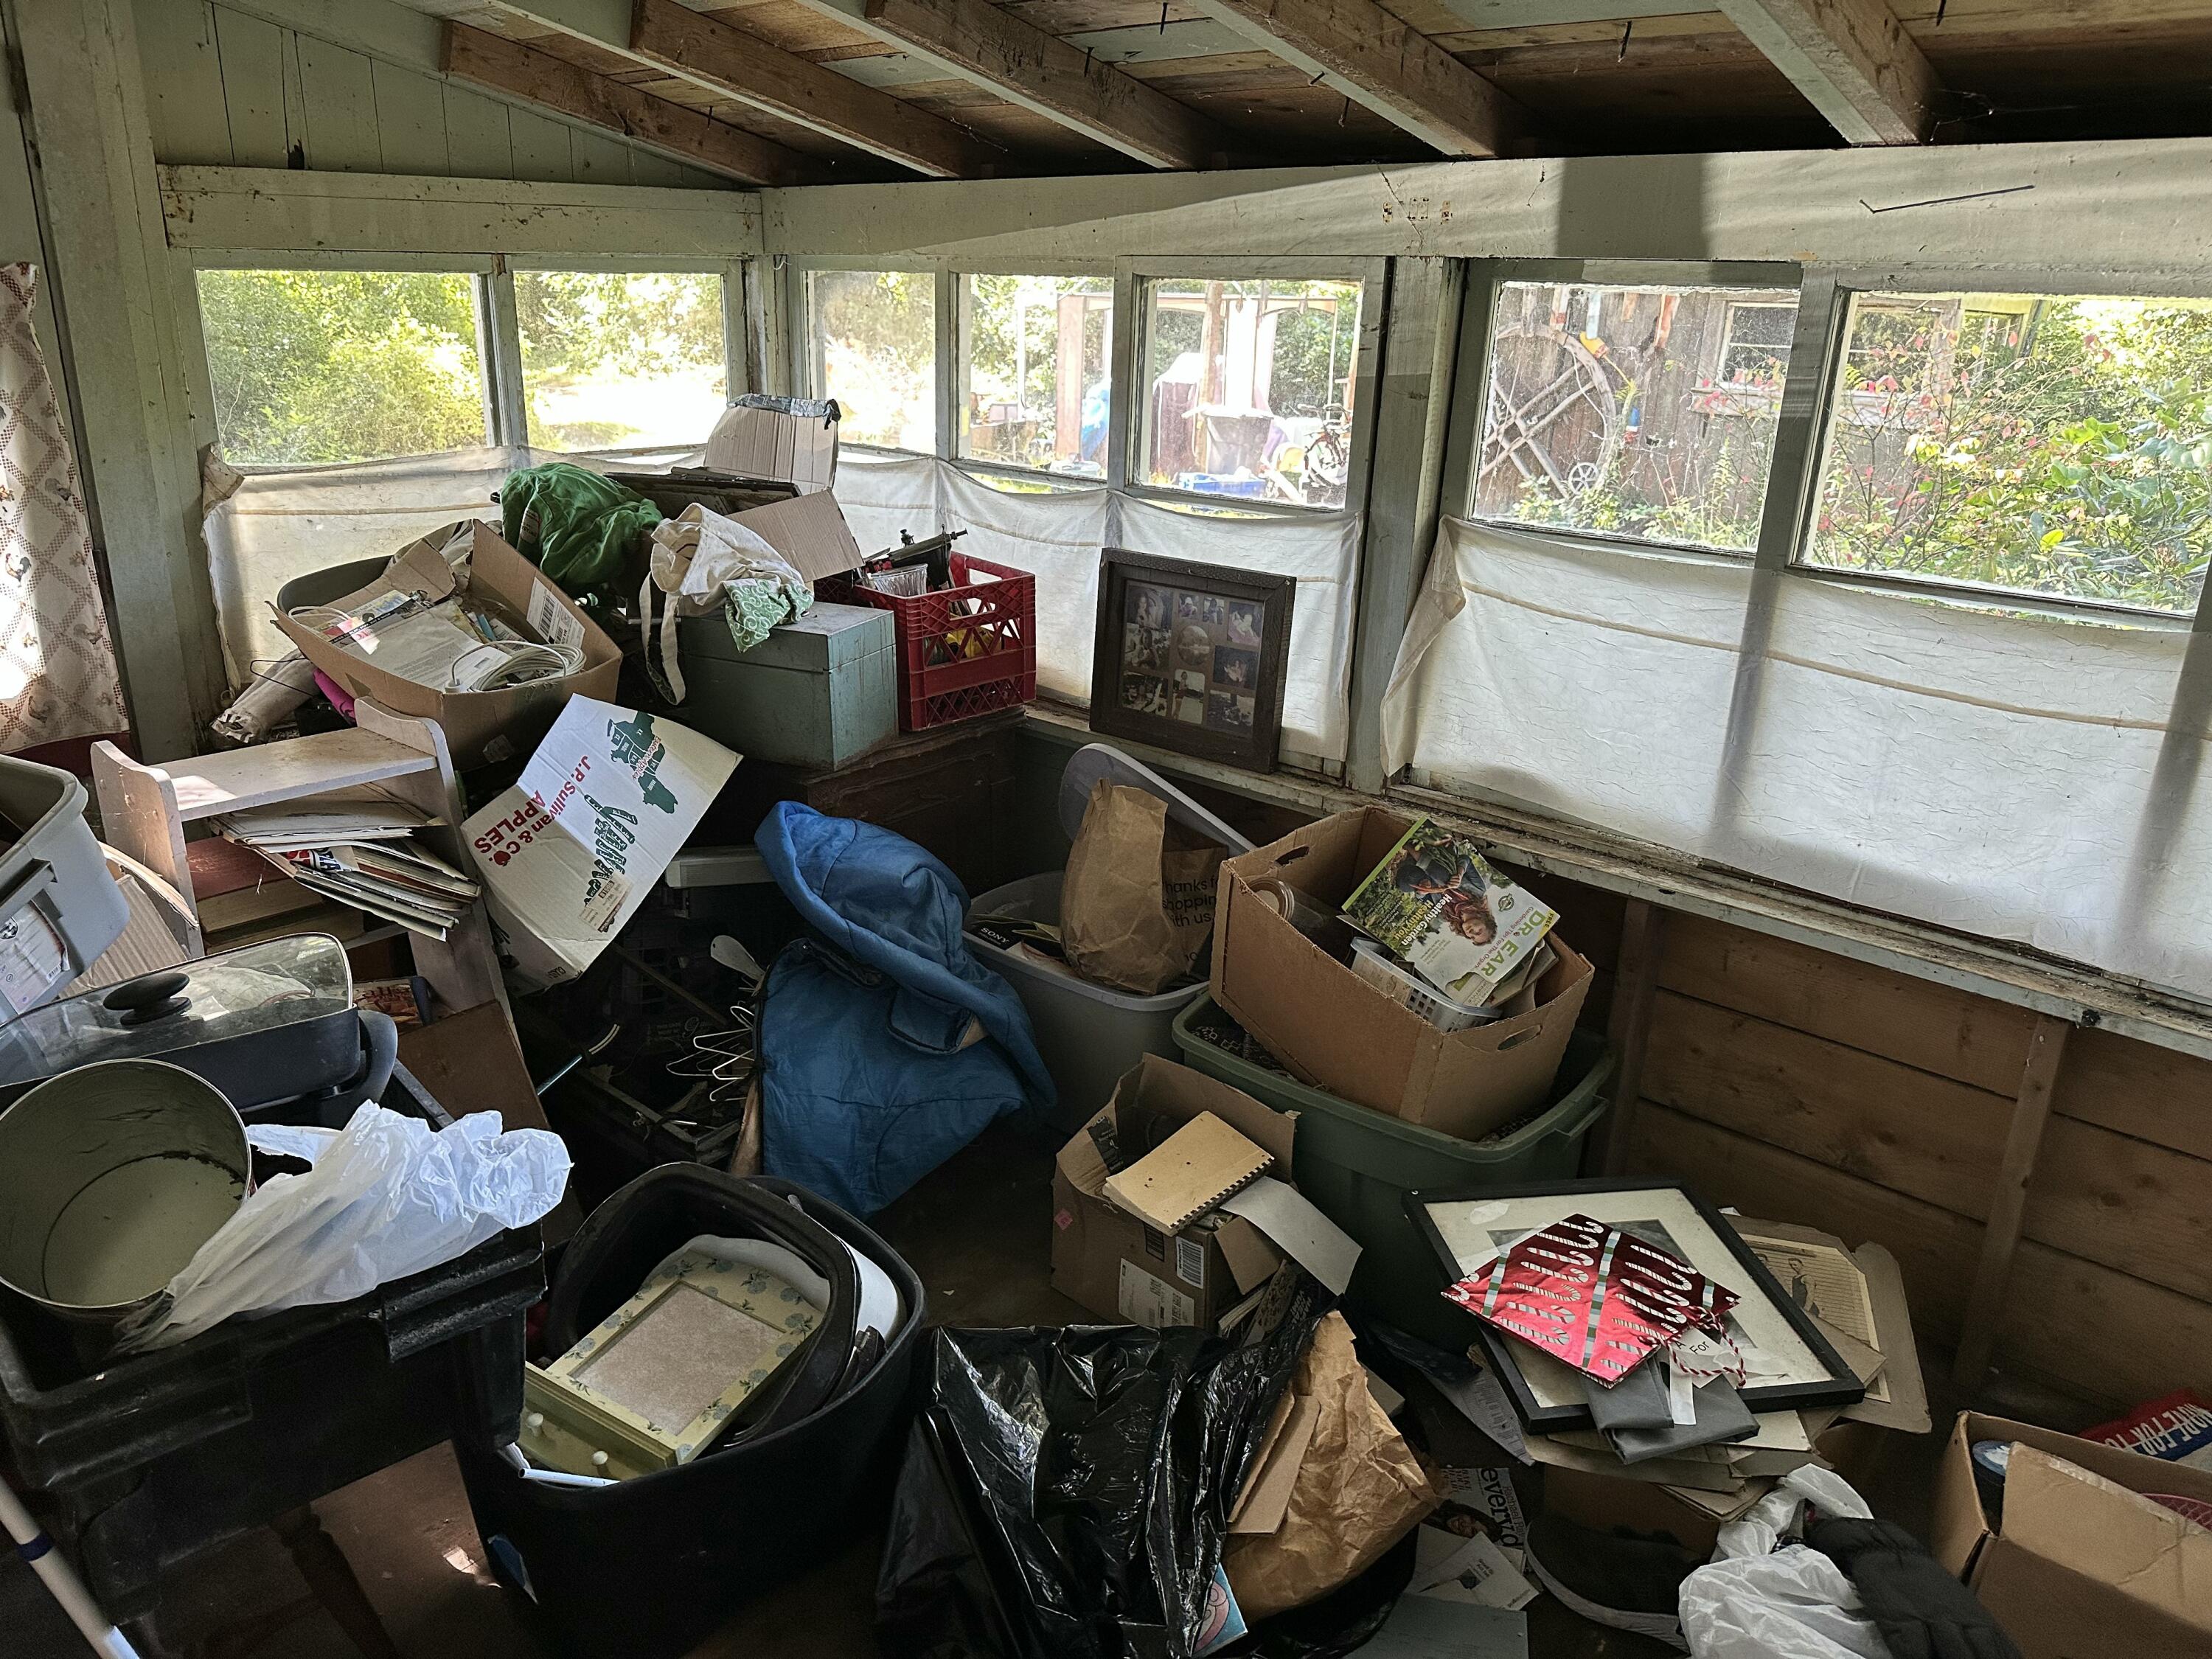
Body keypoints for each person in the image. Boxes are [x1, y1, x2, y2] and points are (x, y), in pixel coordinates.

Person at [1393, 841, 1498, 945]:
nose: (1472, 932)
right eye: (1479, 931)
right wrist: (1459, 875)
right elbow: (1466, 859)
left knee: (1406, 885)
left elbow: (1423, 900)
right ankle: (1409, 847)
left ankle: (1405, 855)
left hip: (1420, 874)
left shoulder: (1445, 916)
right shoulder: (1479, 890)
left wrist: (1423, 891)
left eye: (1472, 937)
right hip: (1441, 856)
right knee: (1446, 881)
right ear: (1486, 921)